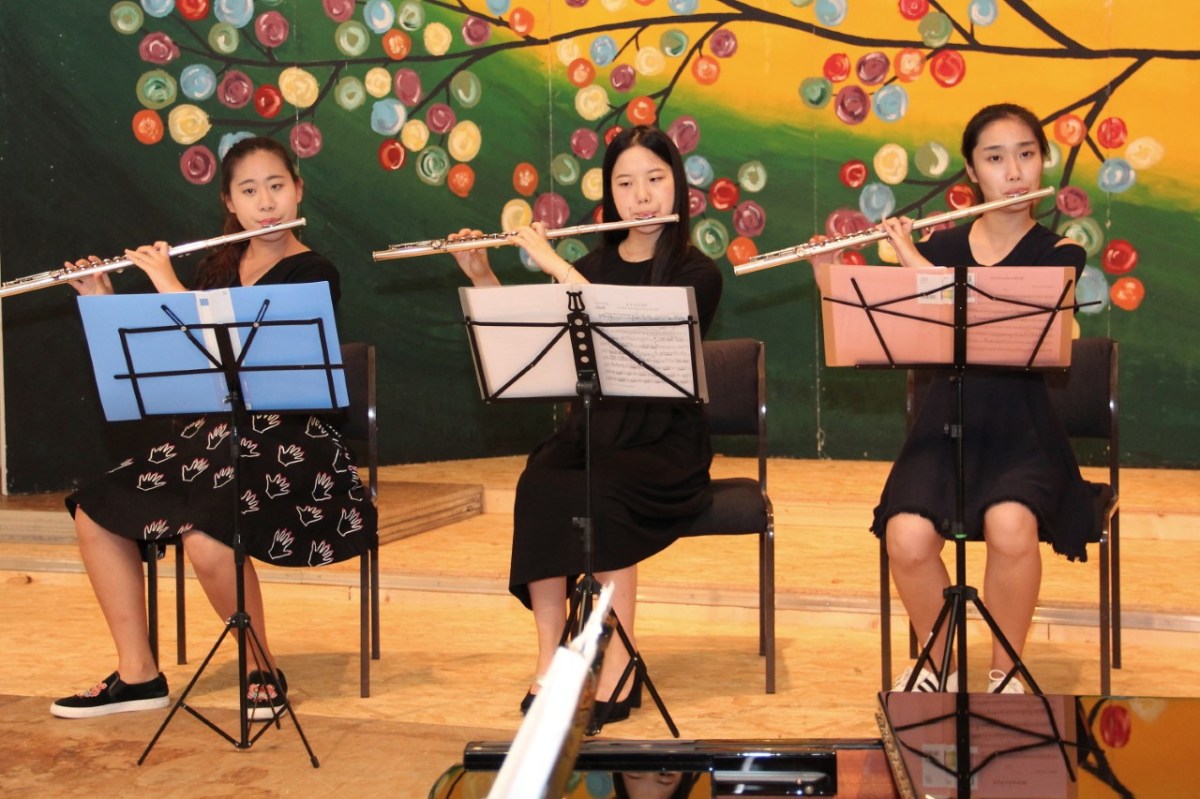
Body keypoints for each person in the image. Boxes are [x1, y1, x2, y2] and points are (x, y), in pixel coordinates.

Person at [51, 136, 375, 719]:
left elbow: (243, 357)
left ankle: (260, 666)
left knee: (205, 534)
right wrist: (102, 301)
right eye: (249, 191)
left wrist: (168, 285)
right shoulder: (218, 267)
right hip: (211, 438)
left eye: (276, 186)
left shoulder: (313, 271)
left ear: (298, 189)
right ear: (229, 201)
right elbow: (182, 364)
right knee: (95, 510)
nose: (266, 203)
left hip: (291, 442)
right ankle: (138, 674)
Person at [449, 125, 723, 725]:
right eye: (625, 183)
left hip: (664, 440)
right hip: (597, 429)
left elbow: (622, 329)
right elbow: (530, 342)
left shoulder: (698, 273)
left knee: (602, 491)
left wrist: (552, 265)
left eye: (655, 179)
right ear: (609, 193)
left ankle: (617, 659)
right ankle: (550, 658)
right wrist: (483, 276)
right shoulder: (592, 264)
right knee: (540, 481)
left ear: (677, 184)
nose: (641, 196)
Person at [871, 103, 1097, 694]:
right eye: (995, 158)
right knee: (906, 536)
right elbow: (894, 330)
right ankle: (938, 663)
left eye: (1026, 154)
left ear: (1042, 161)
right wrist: (826, 267)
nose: (1014, 171)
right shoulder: (942, 245)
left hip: (1022, 428)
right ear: (973, 171)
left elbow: (997, 327)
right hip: (943, 423)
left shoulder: (1060, 254)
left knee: (1010, 525)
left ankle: (1005, 671)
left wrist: (916, 265)